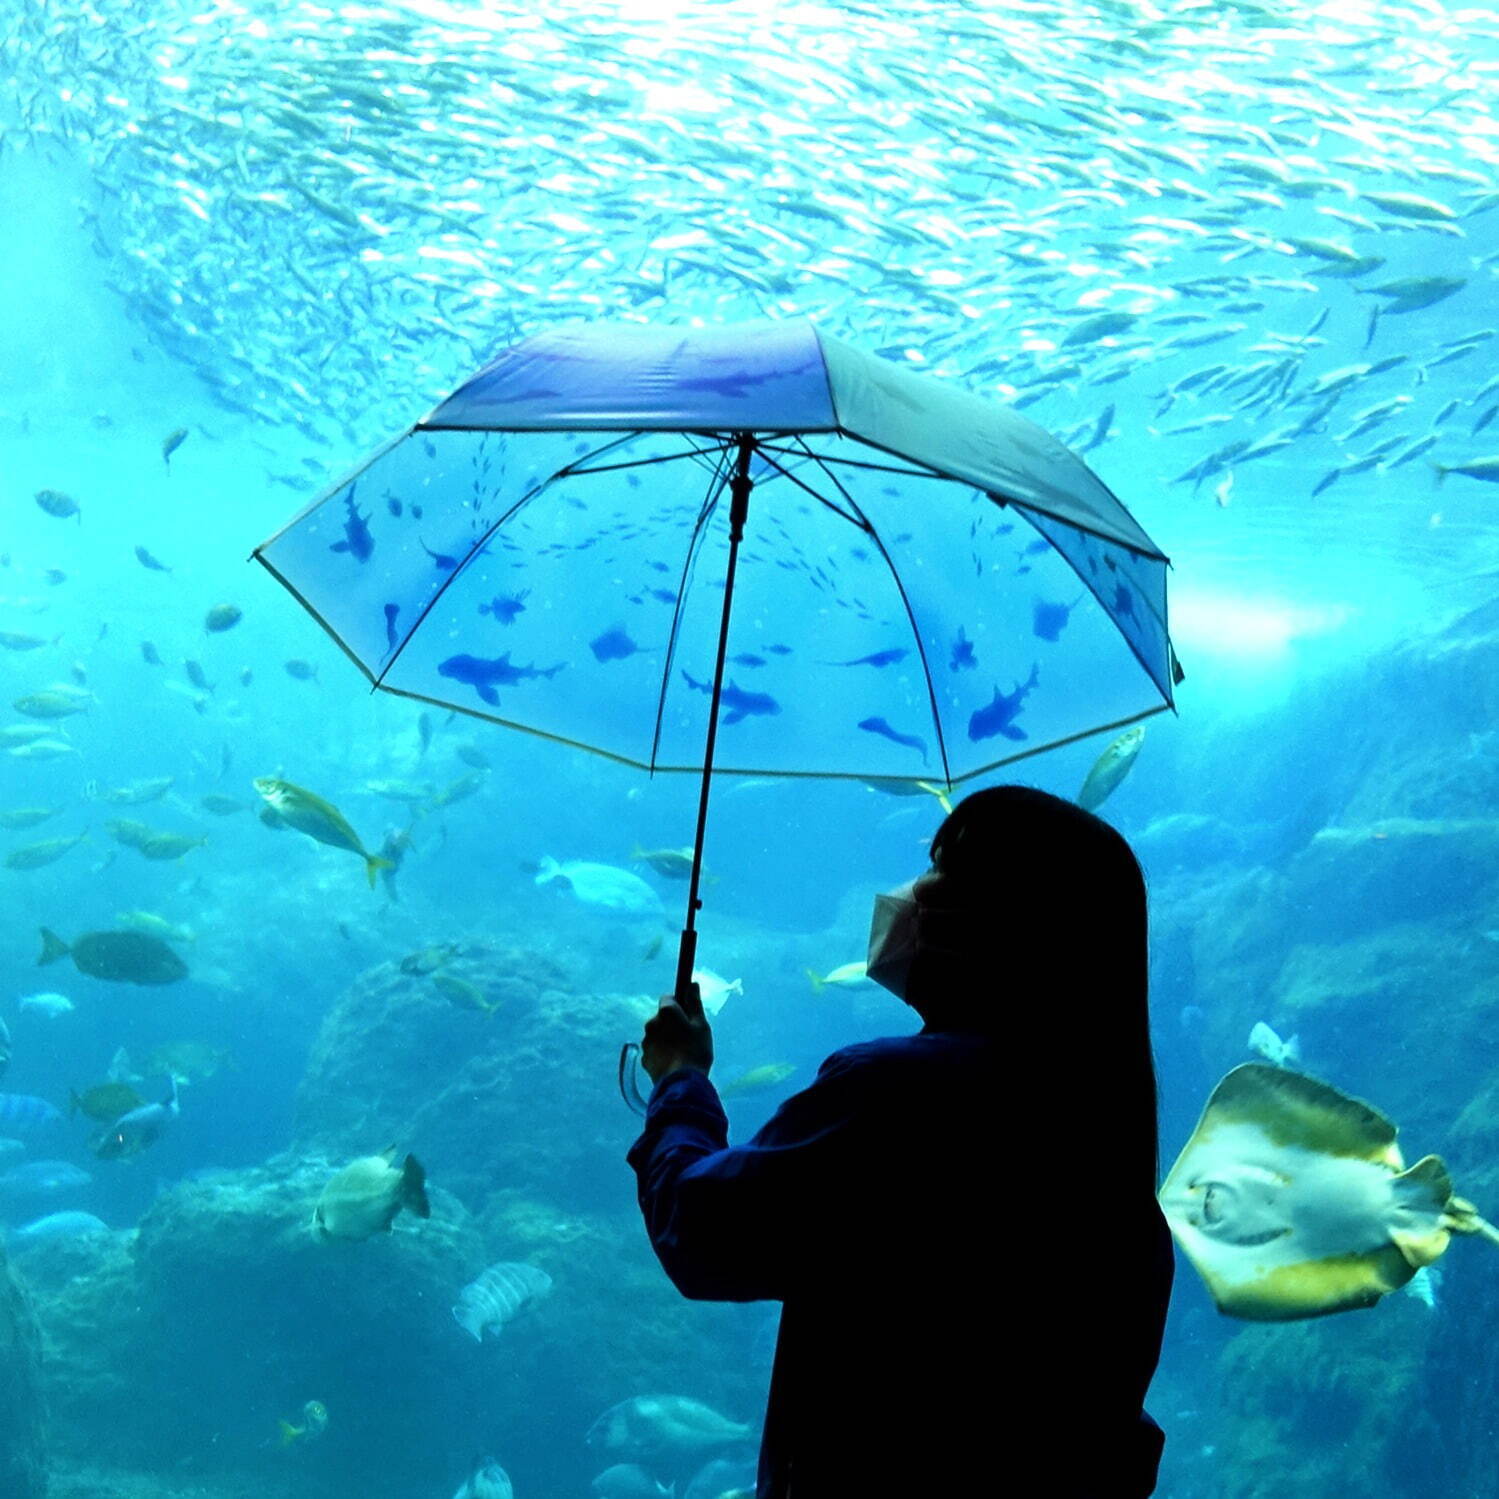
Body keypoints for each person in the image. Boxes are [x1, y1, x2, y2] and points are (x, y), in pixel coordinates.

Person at [627, 784, 1173, 1498]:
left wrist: (680, 1079)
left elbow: (700, 1230)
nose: (907, 893)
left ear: (999, 915)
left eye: (939, 868)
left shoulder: (892, 1095)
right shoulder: (1103, 1147)